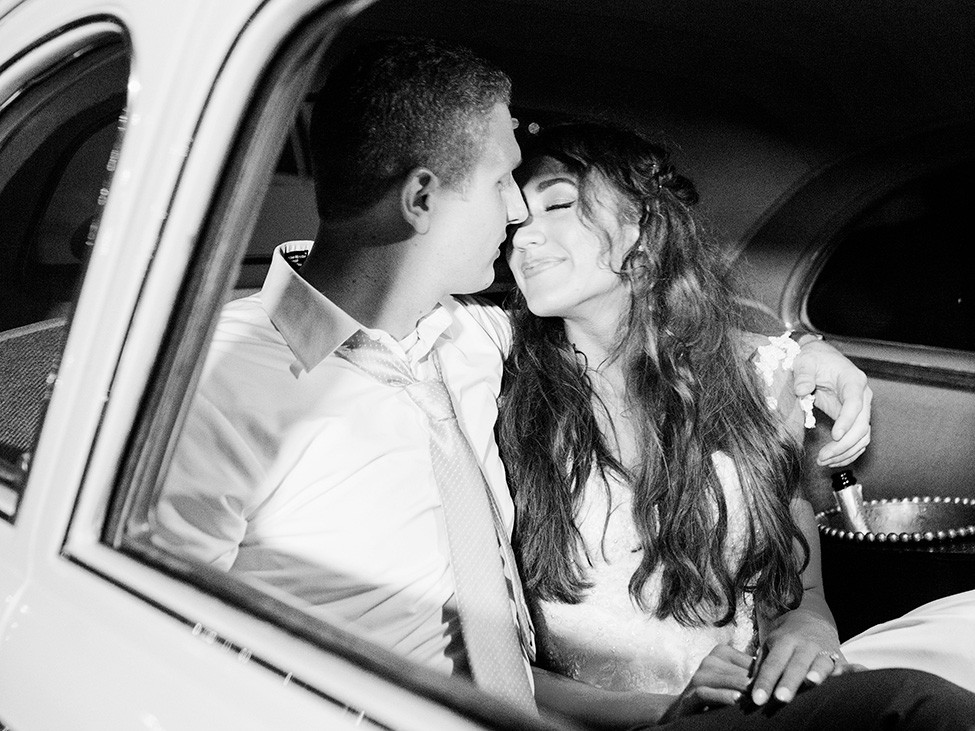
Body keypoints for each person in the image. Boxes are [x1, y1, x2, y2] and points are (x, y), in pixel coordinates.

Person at [148, 37, 973, 728]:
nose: (516, 220)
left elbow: (683, 343)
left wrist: (806, 351)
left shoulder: (457, 341)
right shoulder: (225, 379)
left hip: (677, 703)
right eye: (505, 186)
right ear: (423, 198)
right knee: (913, 706)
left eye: (551, 202)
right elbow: (149, 634)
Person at [497, 119, 975, 725]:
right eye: (514, 221)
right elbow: (495, 666)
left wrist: (805, 637)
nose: (524, 237)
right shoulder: (497, 395)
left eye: (558, 204)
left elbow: (797, 593)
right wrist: (662, 710)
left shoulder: (760, 381)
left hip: (753, 706)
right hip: (614, 722)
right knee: (921, 705)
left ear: (643, 227)